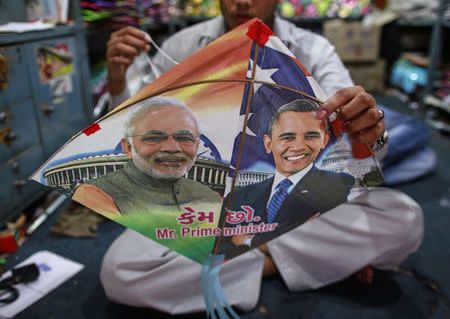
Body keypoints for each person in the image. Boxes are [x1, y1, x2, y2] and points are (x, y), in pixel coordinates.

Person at [100, 0, 424, 315]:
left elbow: (353, 133)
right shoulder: (182, 45)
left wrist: (368, 128)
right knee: (122, 272)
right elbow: (137, 130)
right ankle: (303, 260)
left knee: (405, 218)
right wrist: (118, 81)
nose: (241, 2)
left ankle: (248, 261)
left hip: (299, 201)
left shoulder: (312, 48)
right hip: (206, 203)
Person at [220, 99, 355, 258]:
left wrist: (248, 241)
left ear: (324, 140)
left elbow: (325, 246)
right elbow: (219, 251)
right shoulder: (238, 197)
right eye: (287, 137)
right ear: (268, 143)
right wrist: (291, 237)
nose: (298, 146)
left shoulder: (339, 185)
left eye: (310, 136)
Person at [72, 96, 221, 217]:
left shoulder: (210, 197)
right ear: (128, 147)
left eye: (184, 138)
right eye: (154, 138)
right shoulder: (97, 194)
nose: (172, 148)